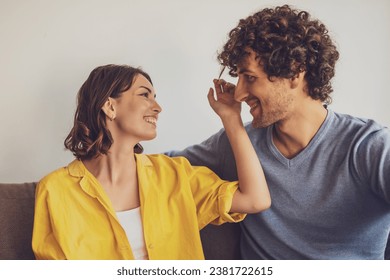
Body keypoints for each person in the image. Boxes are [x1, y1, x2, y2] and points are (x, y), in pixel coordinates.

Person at [167, 5, 390, 259]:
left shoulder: (368, 147)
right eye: (238, 77)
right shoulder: (239, 143)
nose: (238, 94)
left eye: (249, 77)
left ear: (294, 72)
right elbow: (158, 168)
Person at [31, 64, 271, 260]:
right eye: (145, 95)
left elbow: (255, 199)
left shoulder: (175, 174)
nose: (158, 108)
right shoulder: (55, 190)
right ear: (110, 106)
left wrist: (231, 118)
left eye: (155, 98)